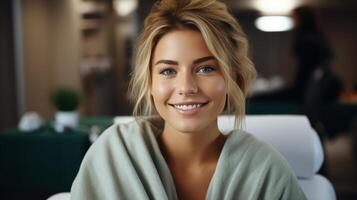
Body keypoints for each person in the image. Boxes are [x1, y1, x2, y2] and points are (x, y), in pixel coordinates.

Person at [70, 0, 307, 199]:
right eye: (168, 71)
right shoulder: (112, 156)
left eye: (205, 69)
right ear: (150, 82)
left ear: (233, 77)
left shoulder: (267, 171)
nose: (186, 87)